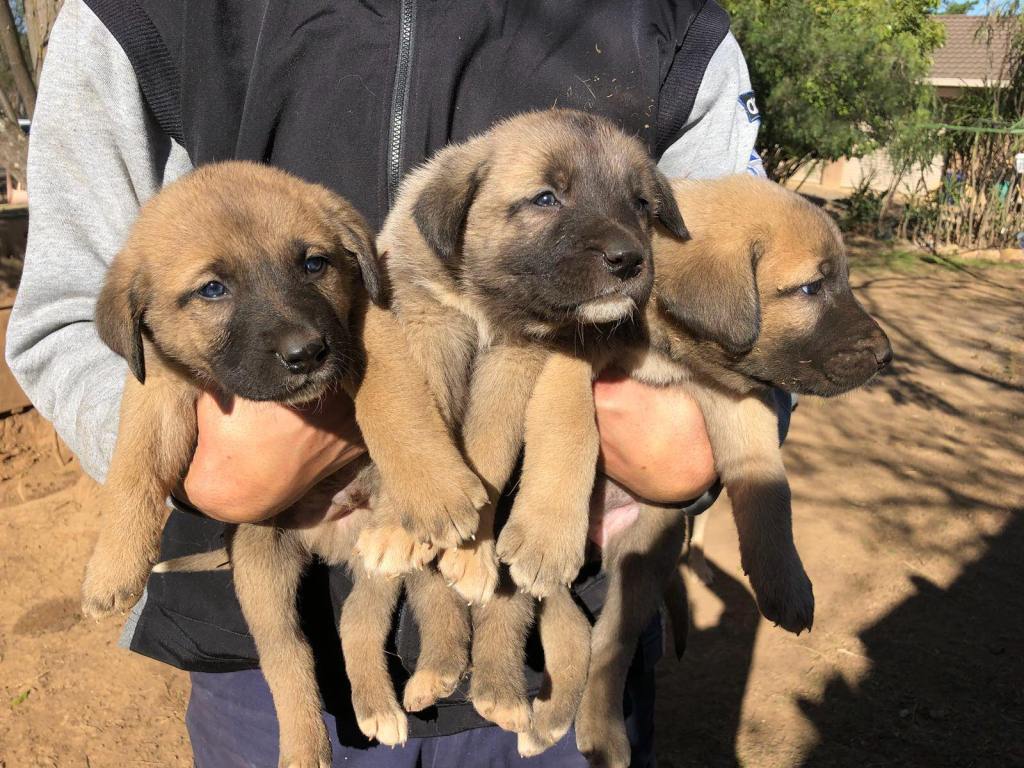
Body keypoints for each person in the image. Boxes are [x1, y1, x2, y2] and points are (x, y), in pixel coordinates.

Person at [7, 1, 778, 765]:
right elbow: (69, 313)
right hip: (259, 634)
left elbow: (759, 276)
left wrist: (716, 432)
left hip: (555, 584)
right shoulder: (137, 14)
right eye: (545, 198)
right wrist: (191, 467)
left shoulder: (668, 22)